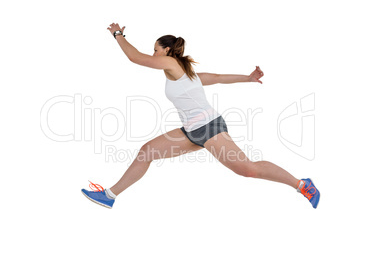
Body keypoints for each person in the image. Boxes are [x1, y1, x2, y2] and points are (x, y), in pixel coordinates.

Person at [81, 23, 320, 209]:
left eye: (156, 49)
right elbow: (215, 78)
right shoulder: (185, 73)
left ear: (166, 50)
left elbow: (135, 57)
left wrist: (117, 34)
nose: (153, 54)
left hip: (209, 127)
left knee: (248, 169)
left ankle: (302, 185)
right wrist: (247, 78)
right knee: (146, 152)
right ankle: (110, 196)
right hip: (190, 131)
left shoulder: (171, 63)